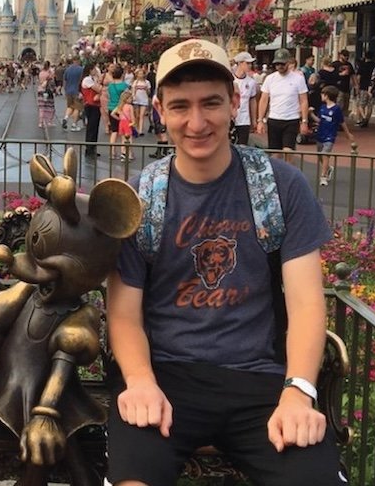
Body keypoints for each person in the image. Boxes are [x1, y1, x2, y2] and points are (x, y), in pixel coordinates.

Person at [106, 39, 343, 486]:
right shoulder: (139, 198)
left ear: (235, 102)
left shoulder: (280, 187)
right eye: (180, 106)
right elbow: (123, 313)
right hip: (165, 377)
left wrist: (298, 391)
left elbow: (307, 303)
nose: (197, 123)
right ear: (159, 110)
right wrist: (138, 380)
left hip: (261, 382)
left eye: (211, 103)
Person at [256, 48, 311, 157]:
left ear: (288, 62)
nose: (280, 66)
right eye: (277, 64)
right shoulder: (270, 79)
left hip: (291, 119)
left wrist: (304, 121)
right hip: (274, 119)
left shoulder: (298, 79)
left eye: (282, 63)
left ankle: (289, 168)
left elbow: (303, 100)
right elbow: (264, 100)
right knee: (275, 154)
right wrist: (260, 120)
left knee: (288, 152)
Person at [312, 85, 356, 187]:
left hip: (330, 136)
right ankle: (328, 168)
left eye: (322, 94)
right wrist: (311, 114)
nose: (321, 96)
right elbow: (319, 120)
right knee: (320, 155)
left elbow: (342, 122)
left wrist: (348, 134)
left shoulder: (336, 109)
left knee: (325, 154)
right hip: (321, 134)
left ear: (326, 96)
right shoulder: (322, 108)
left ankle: (323, 176)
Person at [232, 52, 258, 145]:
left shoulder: (251, 82)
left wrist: (254, 120)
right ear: (240, 63)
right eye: (247, 63)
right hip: (231, 118)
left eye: (251, 63)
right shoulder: (231, 80)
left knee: (243, 145)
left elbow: (252, 100)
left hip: (244, 119)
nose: (250, 65)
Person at [81, 63, 102, 158]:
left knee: (95, 127)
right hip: (90, 104)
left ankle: (93, 147)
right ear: (90, 70)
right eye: (94, 69)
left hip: (96, 105)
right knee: (91, 127)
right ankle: (89, 148)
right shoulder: (87, 79)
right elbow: (99, 89)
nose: (95, 71)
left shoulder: (93, 79)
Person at [62, 58, 84, 131]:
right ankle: (74, 125)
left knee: (70, 106)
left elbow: (65, 81)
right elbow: (82, 80)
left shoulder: (67, 69)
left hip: (68, 91)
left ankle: (65, 118)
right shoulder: (81, 69)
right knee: (77, 108)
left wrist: (65, 90)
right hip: (77, 91)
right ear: (78, 61)